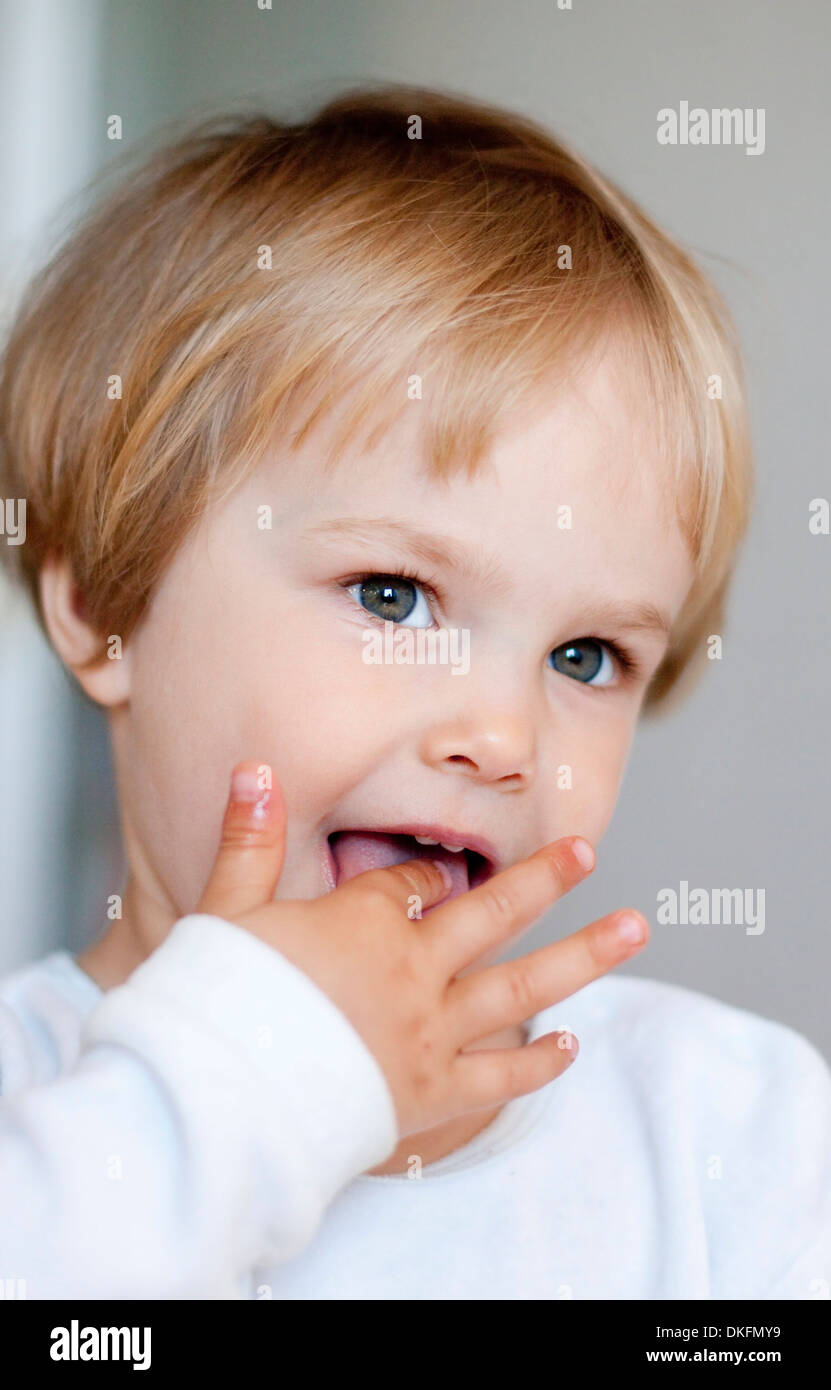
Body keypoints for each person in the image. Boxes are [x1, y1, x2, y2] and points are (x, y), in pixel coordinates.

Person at [0, 85, 828, 1300]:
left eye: (585, 656)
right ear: (102, 608)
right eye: (393, 597)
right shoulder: (41, 1135)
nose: (503, 737)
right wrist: (262, 1066)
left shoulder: (737, 1135)